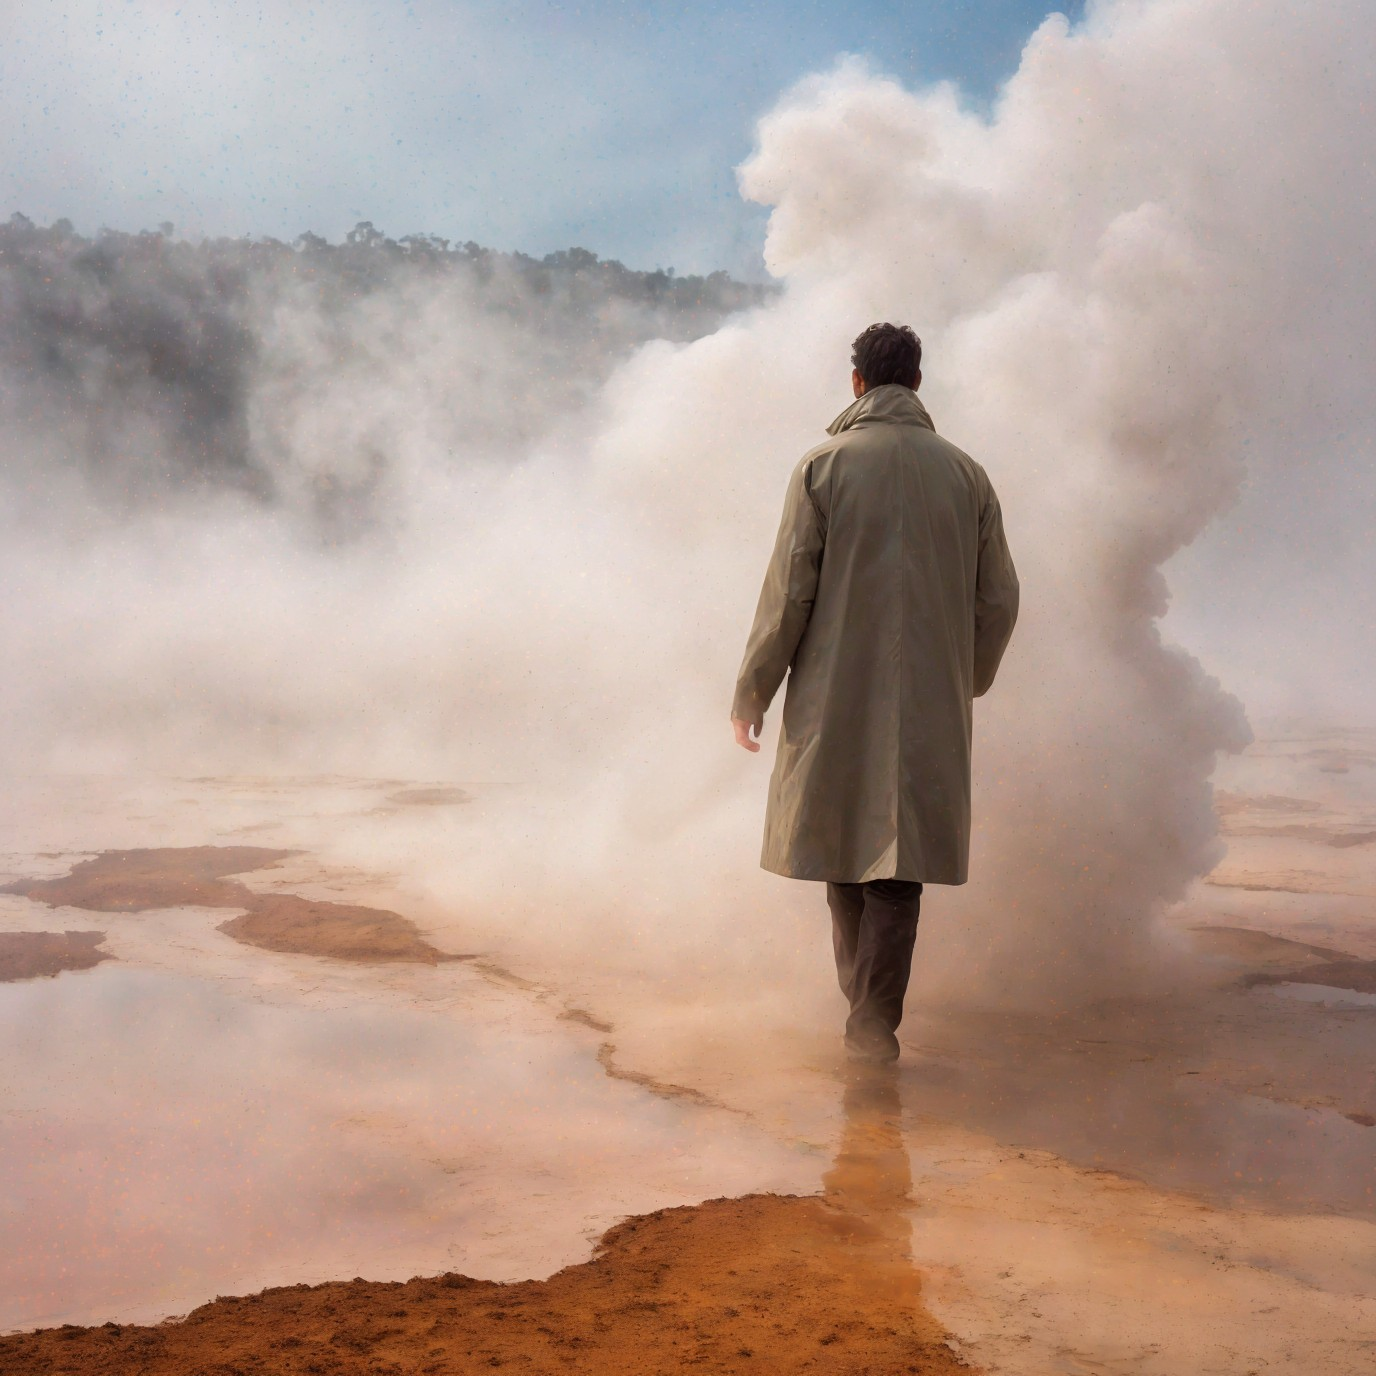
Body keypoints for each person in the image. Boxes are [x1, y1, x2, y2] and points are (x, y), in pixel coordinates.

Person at [731, 322, 1019, 1062]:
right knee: (897, 865)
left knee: (844, 849)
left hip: (834, 696)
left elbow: (787, 596)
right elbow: (1000, 600)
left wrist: (752, 692)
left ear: (857, 382)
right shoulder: (967, 475)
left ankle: (867, 1027)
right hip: (929, 699)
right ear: (916, 383)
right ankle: (870, 1023)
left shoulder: (822, 467)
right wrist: (967, 678)